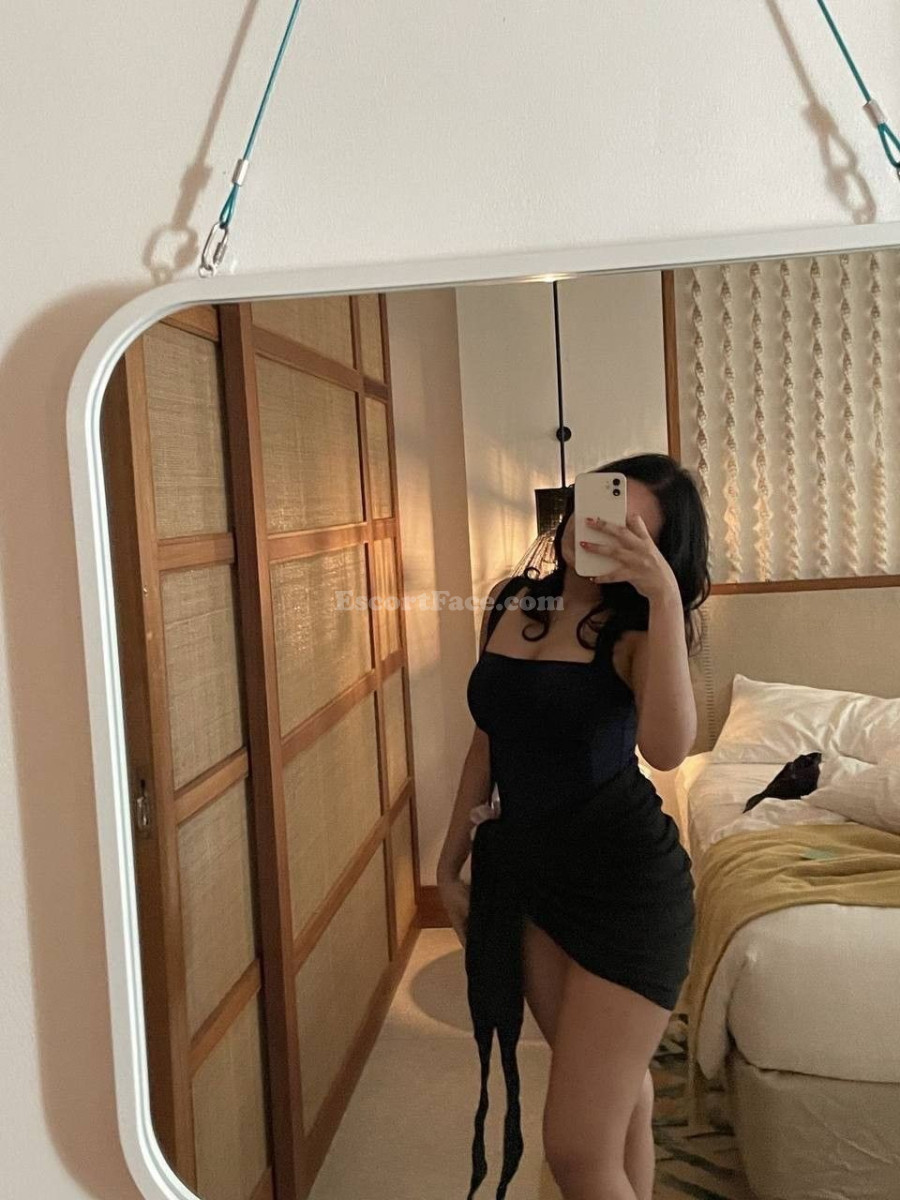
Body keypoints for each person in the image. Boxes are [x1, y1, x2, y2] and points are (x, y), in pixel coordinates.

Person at [436, 453, 710, 1200]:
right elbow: (489, 737)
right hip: (530, 878)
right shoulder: (513, 601)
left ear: (656, 552)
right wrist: (448, 864)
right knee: (619, 1098)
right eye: (597, 510)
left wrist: (663, 600)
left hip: (627, 889)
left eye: (630, 533)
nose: (599, 532)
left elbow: (668, 748)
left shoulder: (636, 633)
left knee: (574, 1150)